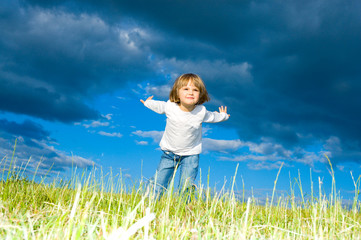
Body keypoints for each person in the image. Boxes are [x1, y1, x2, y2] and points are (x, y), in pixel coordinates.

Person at [140, 73, 230, 198]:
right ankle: (148, 203)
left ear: (200, 95)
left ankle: (185, 209)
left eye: (195, 90)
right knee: (159, 182)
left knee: (186, 186)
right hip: (169, 153)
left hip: (190, 155)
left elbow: (213, 116)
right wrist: (148, 103)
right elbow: (159, 106)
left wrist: (223, 116)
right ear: (177, 93)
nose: (191, 92)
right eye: (186, 89)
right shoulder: (170, 106)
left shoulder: (201, 112)